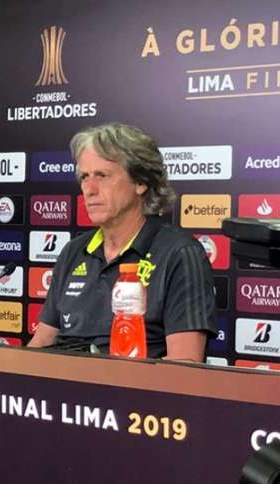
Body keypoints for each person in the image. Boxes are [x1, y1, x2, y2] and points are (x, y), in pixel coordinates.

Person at [28, 122, 217, 361]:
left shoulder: (179, 253)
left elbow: (185, 364)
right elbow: (42, 341)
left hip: (133, 394)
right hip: (64, 391)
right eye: (84, 177)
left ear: (141, 182)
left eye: (102, 176)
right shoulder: (73, 251)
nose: (90, 189)